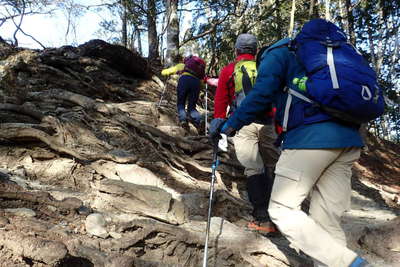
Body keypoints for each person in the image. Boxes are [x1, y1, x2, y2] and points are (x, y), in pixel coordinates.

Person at [210, 20, 372, 267]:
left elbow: (263, 93)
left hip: (310, 139)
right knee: (326, 220)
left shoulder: (280, 52)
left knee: (282, 210)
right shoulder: (328, 55)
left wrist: (230, 124)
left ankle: (352, 263)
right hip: (349, 141)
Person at [210, 33, 280, 234]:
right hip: (270, 123)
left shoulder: (229, 70)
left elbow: (221, 102)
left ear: (236, 51)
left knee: (253, 169)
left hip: (242, 123)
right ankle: (282, 215)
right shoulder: (265, 67)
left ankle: (262, 218)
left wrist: (219, 125)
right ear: (256, 51)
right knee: (274, 165)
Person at [161, 55, 206, 133]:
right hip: (196, 83)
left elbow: (165, 72)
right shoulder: (199, 68)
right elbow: (203, 81)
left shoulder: (183, 65)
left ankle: (183, 121)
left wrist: (164, 72)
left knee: (181, 103)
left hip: (184, 80)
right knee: (192, 107)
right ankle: (199, 120)